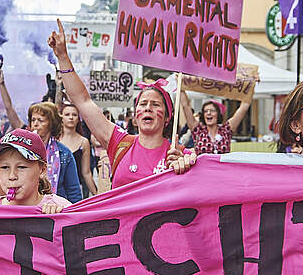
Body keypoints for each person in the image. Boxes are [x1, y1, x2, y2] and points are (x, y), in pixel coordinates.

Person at [47, 19, 196, 189]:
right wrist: (63, 57)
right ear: (135, 115)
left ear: (168, 117)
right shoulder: (120, 142)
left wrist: (187, 167)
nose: (148, 107)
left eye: (155, 105)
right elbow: (82, 100)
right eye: (143, 103)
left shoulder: (178, 154)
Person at [0, 68, 83, 203]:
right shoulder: (19, 144)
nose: (35, 124)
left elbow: (73, 192)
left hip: (53, 213)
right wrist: (1, 84)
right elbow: (9, 109)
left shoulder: (64, 153)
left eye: (40, 120)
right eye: (33, 120)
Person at [0, 128, 71, 214]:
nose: (12, 176)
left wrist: (61, 218)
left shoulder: (60, 207)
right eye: (4, 167)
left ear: (42, 170)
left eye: (21, 167)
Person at [178, 92, 252, 155]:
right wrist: (181, 85)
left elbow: (243, 108)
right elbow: (186, 106)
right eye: (206, 111)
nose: (208, 113)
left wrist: (250, 85)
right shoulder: (198, 130)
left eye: (212, 110)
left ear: (218, 114)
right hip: (202, 171)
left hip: (223, 171)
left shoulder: (226, 130)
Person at [59, 103, 98, 197]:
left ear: (78, 119)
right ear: (61, 118)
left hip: (75, 191)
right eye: (67, 114)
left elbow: (86, 173)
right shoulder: (54, 140)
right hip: (56, 190)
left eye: (74, 115)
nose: (71, 117)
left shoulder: (84, 142)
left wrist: (97, 195)